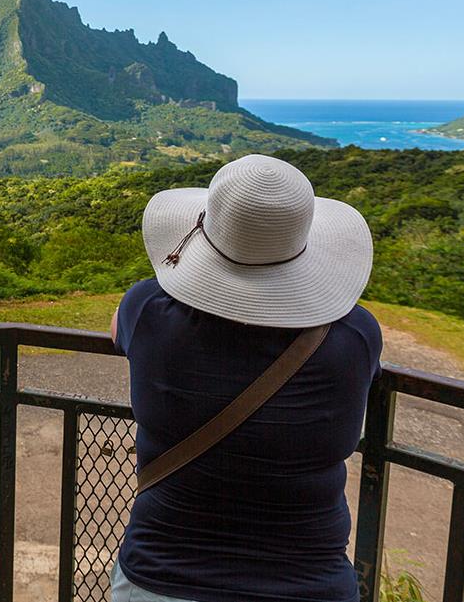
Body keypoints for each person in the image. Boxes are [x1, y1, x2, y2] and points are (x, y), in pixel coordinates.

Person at [109, 154, 382, 602]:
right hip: (309, 584)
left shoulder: (148, 309)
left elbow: (118, 331)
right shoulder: (354, 335)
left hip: (161, 576)